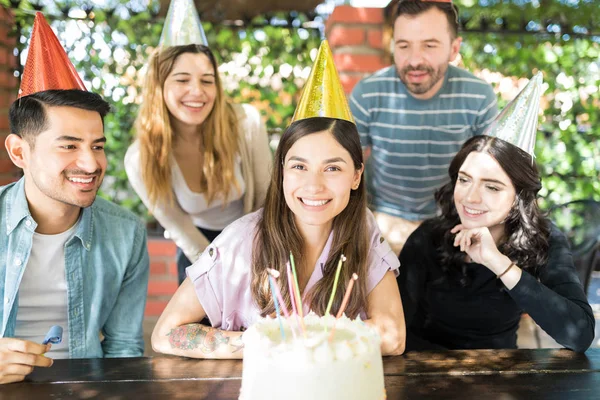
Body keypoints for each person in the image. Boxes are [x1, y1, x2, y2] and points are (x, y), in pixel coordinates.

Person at [150, 41, 405, 359]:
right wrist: (262, 343)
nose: (314, 185)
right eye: (299, 166)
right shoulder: (242, 239)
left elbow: (393, 337)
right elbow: (166, 334)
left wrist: (306, 338)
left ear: (356, 176)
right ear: (282, 172)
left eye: (333, 168)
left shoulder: (361, 226)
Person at [0, 13, 149, 384]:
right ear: (19, 152)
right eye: (68, 145)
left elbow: (125, 350)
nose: (90, 162)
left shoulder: (126, 232)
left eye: (97, 146)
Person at [398, 73, 595, 352]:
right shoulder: (429, 238)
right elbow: (397, 327)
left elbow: (580, 334)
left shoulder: (543, 239)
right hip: (423, 374)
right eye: (465, 180)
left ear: (518, 198)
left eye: (492, 187)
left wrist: (497, 262)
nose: (470, 197)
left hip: (498, 378)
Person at [125, 0, 271, 284]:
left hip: (255, 237)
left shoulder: (246, 122)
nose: (197, 92)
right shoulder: (140, 158)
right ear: (159, 88)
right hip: (198, 244)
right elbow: (178, 226)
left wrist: (256, 258)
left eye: (207, 80)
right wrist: (217, 269)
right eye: (182, 80)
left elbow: (267, 196)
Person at [349, 0, 498, 254]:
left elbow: (494, 173)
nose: (414, 60)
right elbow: (345, 166)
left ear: (453, 49)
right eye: (404, 46)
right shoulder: (366, 93)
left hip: (452, 222)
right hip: (382, 222)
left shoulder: (480, 97)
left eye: (429, 45)